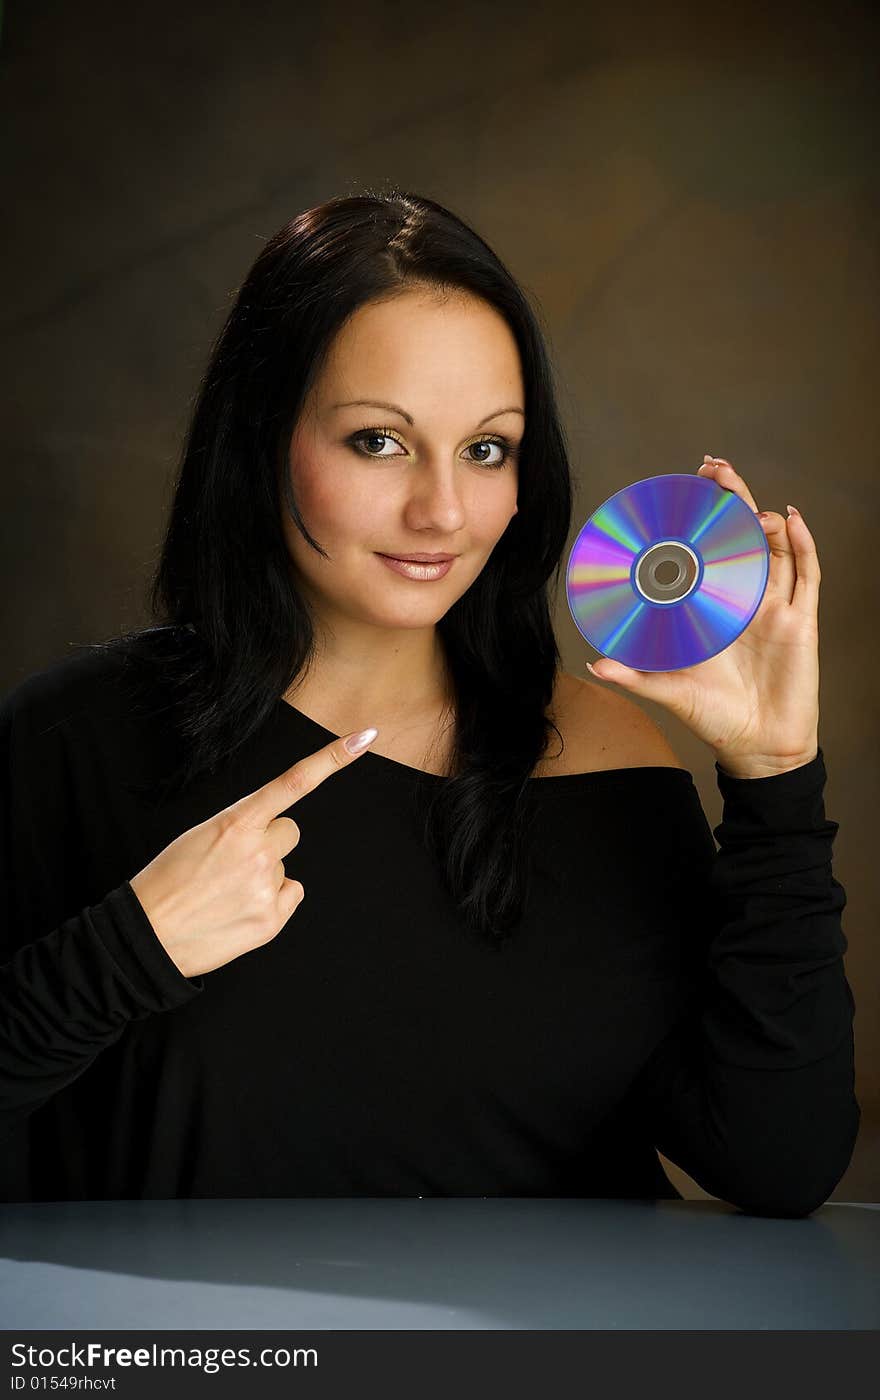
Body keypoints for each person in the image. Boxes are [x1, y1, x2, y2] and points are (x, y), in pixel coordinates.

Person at [0, 190, 859, 1213]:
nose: (442, 510)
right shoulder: (72, 741)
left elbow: (777, 1163)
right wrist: (127, 950)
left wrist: (776, 784)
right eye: (378, 440)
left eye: (486, 448)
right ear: (263, 435)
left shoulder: (601, 759)